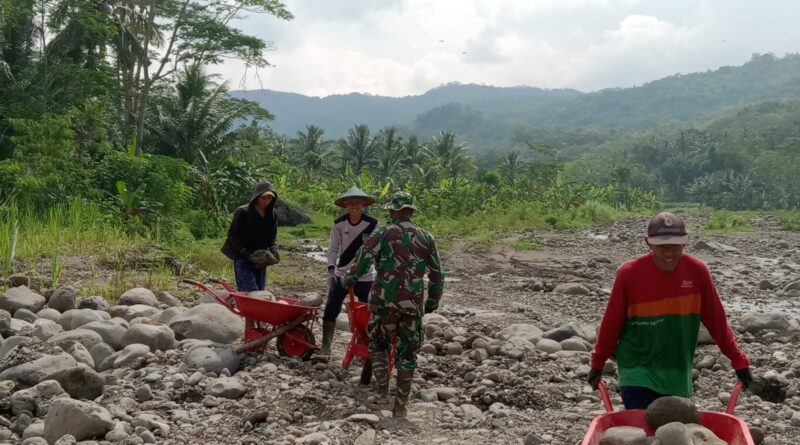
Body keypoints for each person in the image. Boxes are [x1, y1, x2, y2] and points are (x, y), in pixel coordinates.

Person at [587, 212, 752, 409]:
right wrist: (598, 362)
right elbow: (612, 321)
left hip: (676, 365)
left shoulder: (697, 271)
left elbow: (716, 320)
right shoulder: (629, 273)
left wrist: (738, 360)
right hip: (637, 364)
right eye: (661, 247)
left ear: (685, 243)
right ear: (648, 243)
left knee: (671, 426)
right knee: (643, 424)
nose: (668, 253)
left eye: (674, 247)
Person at [342, 191, 444, 418]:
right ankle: (401, 406)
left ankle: (381, 394)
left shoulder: (382, 233)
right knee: (408, 355)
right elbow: (437, 273)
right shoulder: (426, 237)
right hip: (413, 303)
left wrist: (348, 279)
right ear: (410, 211)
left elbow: (362, 260)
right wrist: (432, 300)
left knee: (379, 345)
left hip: (383, 302)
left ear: (392, 211)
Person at [318, 186, 380, 357]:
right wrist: (331, 269)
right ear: (345, 204)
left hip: (365, 275)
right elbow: (333, 249)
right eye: (351, 203)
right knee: (331, 307)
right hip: (341, 273)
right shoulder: (339, 224)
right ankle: (326, 345)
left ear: (363, 204)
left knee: (368, 310)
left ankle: (364, 342)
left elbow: (375, 249)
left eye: (358, 202)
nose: (354, 206)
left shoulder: (373, 224)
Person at [221, 180, 280, 330]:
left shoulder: (271, 214)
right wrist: (245, 253)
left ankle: (258, 329)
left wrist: (273, 250)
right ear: (256, 197)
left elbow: (272, 237)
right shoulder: (243, 212)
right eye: (263, 198)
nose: (266, 201)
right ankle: (249, 330)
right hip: (243, 258)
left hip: (261, 258)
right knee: (250, 294)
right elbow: (232, 235)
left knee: (260, 294)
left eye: (269, 198)